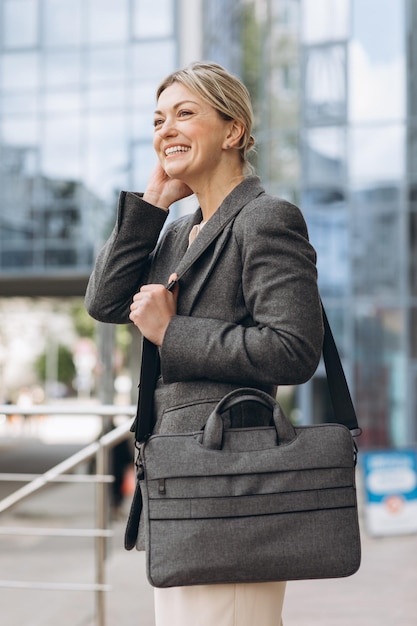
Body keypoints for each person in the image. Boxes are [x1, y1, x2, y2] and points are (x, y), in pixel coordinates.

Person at [85, 61, 324, 626]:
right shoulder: (176, 232)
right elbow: (105, 302)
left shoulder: (266, 219)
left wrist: (173, 333)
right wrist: (151, 205)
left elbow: (294, 349)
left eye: (184, 114)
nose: (165, 129)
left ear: (233, 130)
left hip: (230, 487)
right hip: (181, 487)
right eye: (158, 119)